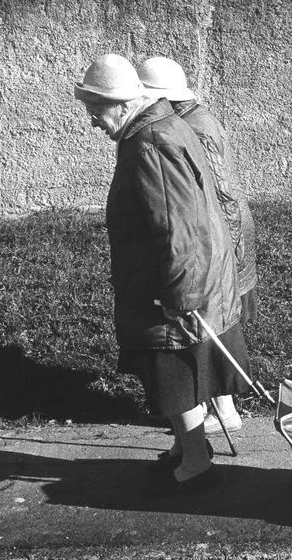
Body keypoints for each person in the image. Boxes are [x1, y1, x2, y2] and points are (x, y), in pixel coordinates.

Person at [73, 54, 250, 494]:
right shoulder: (154, 129)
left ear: (120, 103)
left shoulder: (149, 141)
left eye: (95, 108)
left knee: (174, 374)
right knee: (170, 372)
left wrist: (182, 297)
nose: (92, 120)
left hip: (169, 290)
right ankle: (186, 450)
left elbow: (180, 229)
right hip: (163, 284)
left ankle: (195, 460)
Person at [136, 56, 258, 436]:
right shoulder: (197, 119)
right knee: (213, 322)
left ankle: (222, 409)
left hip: (223, 234)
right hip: (228, 232)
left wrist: (222, 250)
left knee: (212, 322)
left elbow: (216, 194)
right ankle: (217, 407)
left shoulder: (191, 127)